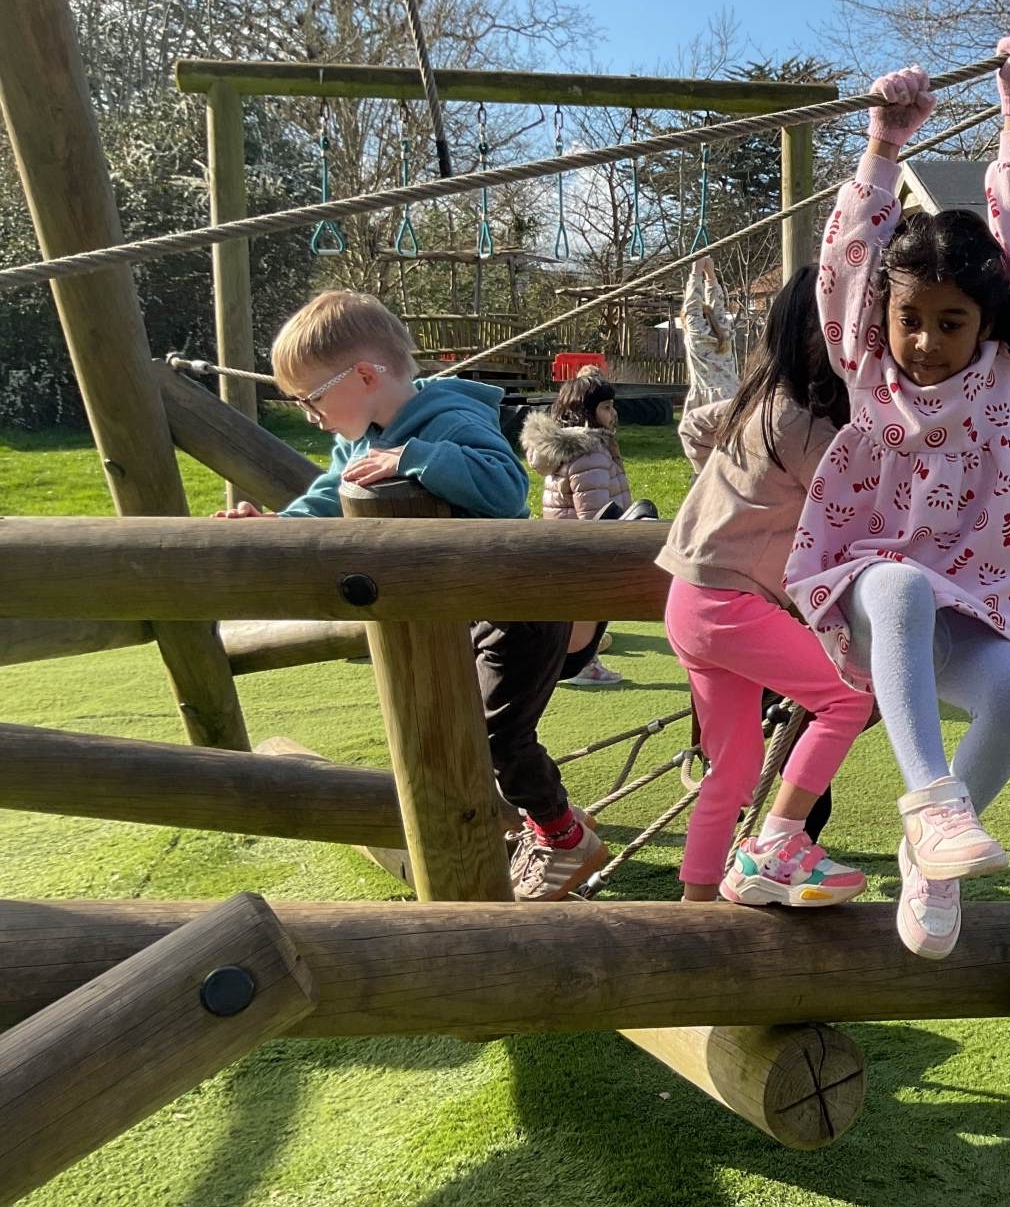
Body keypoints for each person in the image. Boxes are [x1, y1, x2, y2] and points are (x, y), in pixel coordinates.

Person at [783, 35, 1010, 959]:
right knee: (898, 584)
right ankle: (934, 806)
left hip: (970, 607)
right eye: (911, 319)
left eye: (951, 322)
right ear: (883, 317)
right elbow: (847, 254)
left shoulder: (997, 374)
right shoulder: (867, 369)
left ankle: (929, 864)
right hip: (874, 595)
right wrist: (883, 145)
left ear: (987, 325)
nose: (928, 342)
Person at [214, 290, 607, 901]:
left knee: (495, 735)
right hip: (468, 611)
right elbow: (331, 495)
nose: (309, 415)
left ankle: (565, 839)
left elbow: (505, 487)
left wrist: (416, 458)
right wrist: (277, 526)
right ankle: (540, 817)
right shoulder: (362, 439)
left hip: (521, 607)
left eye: (312, 398)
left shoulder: (450, 420)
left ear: (366, 376)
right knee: (461, 725)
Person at [656, 266, 873, 908]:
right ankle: (778, 844)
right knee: (847, 699)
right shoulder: (808, 428)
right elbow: (871, 507)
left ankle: (696, 904)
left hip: (689, 600)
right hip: (731, 605)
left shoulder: (757, 400)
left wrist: (730, 488)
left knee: (734, 769)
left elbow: (694, 427)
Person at [522, 368, 632, 687]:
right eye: (606, 407)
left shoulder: (567, 449)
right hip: (588, 545)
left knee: (577, 609)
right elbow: (594, 511)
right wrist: (612, 537)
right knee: (589, 608)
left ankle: (573, 658)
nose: (613, 413)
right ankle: (584, 663)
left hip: (565, 541)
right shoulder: (589, 452)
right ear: (585, 411)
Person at [681, 254, 740, 416]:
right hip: (733, 395)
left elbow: (692, 308)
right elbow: (718, 310)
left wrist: (696, 272)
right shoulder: (725, 334)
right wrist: (710, 274)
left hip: (709, 400)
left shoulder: (697, 336)